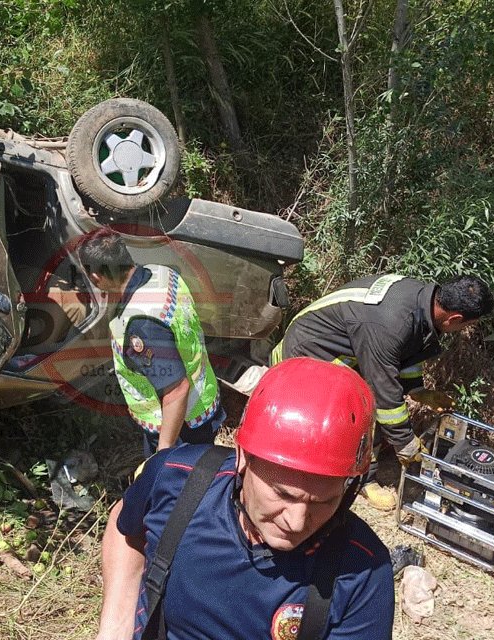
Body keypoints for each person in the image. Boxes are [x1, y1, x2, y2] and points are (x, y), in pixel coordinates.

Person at [95, 358, 394, 640]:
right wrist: (116, 626)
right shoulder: (177, 480)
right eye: (282, 494)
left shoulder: (362, 571)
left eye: (323, 502)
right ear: (241, 458)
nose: (297, 521)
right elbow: (127, 525)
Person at [272, 273, 494, 510]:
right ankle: (358, 479)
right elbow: (385, 397)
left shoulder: (422, 301)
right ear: (454, 318)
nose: (463, 330)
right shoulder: (390, 324)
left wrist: (418, 391)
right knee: (359, 410)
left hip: (348, 348)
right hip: (310, 351)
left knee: (369, 402)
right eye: (467, 325)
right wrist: (406, 444)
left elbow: (406, 352)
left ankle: (360, 469)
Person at [78, 229, 224, 455]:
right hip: (202, 400)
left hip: (180, 426)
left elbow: (176, 390)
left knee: (180, 485)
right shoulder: (161, 273)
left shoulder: (141, 326)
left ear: (97, 277)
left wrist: (164, 452)